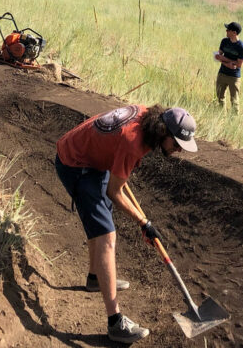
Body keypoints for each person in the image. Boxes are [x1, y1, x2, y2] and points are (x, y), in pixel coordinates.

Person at [55, 104, 198, 344]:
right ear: (163, 132)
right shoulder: (134, 143)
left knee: (102, 221)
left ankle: (95, 279)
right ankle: (115, 323)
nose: (178, 151)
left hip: (90, 158)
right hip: (75, 163)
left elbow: (113, 147)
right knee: (106, 236)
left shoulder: (147, 117)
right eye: (176, 145)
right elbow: (114, 191)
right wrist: (144, 222)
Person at [214, 21, 243, 112]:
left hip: (234, 77)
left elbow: (239, 65)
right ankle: (221, 116)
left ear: (234, 33)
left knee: (234, 101)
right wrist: (227, 63)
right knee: (220, 97)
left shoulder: (242, 47)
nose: (226, 31)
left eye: (228, 30)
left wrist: (224, 59)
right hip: (222, 74)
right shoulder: (224, 41)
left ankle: (234, 120)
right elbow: (217, 56)